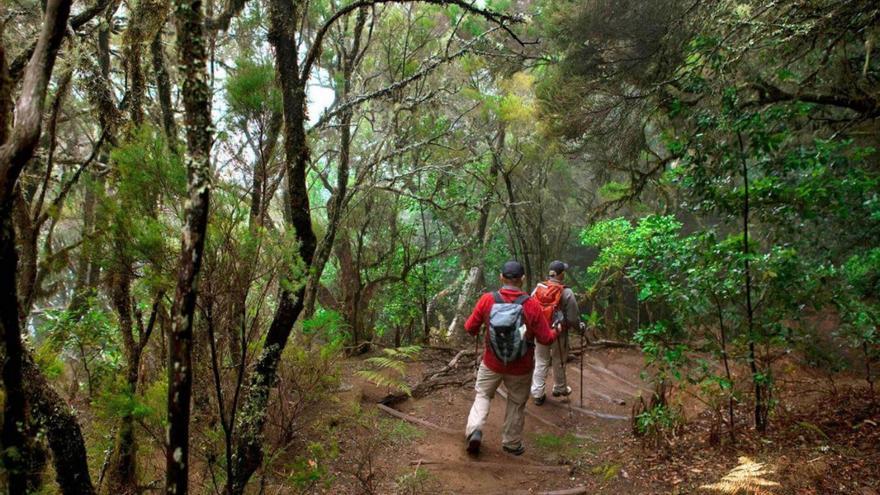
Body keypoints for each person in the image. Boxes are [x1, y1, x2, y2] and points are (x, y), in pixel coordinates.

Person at [463, 261, 558, 456]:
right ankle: (511, 443)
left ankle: (475, 430)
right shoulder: (531, 305)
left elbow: (469, 328)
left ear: (501, 277)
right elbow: (546, 339)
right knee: (516, 402)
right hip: (521, 366)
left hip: (491, 363)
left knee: (483, 395)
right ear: (522, 280)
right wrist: (558, 329)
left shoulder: (487, 300)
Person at [530, 260, 582, 406]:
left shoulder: (538, 289)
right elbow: (572, 318)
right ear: (561, 275)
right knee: (559, 361)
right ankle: (559, 387)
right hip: (559, 333)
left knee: (541, 361)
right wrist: (580, 328)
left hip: (541, 332)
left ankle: (537, 393)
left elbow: (530, 308)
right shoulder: (567, 292)